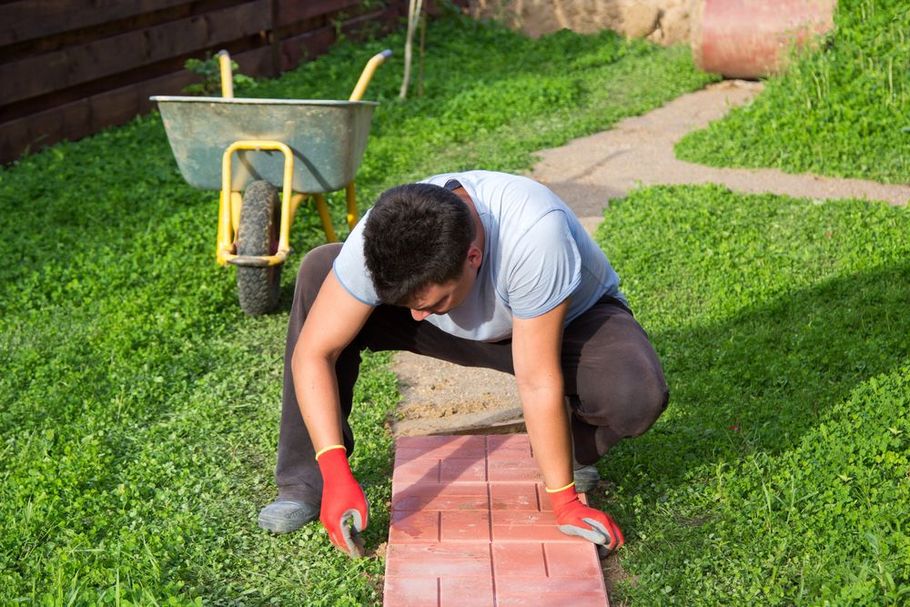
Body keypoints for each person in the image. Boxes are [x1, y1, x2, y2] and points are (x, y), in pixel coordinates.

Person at [257, 170, 669, 556]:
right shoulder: (380, 238)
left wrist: (563, 499)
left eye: (431, 302)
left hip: (561, 327)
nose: (416, 316)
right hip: (460, 324)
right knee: (319, 271)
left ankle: (569, 452)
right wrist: (334, 470)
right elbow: (314, 353)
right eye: (410, 306)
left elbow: (537, 378)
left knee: (635, 391)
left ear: (473, 256)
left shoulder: (534, 234)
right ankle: (303, 483)